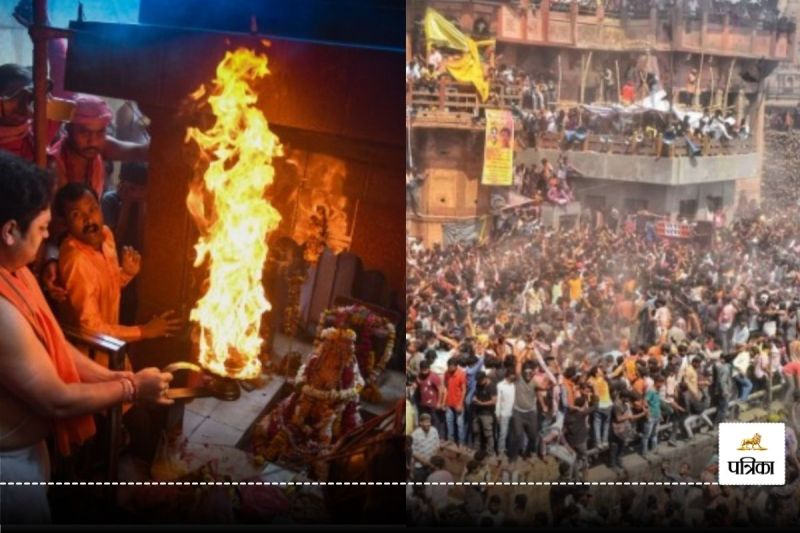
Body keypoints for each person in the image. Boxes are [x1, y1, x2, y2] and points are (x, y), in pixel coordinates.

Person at [0, 151, 172, 523]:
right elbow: (56, 402)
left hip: (28, 451)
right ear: (9, 231)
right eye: (44, 228)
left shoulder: (17, 271)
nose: (49, 237)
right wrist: (131, 389)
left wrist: (115, 377)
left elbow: (56, 344)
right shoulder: (1, 312)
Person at [55, 183, 182, 347]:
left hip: (111, 346)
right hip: (89, 353)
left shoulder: (106, 235)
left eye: (92, 209)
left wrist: (126, 274)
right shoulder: (76, 260)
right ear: (65, 224)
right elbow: (90, 328)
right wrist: (143, 331)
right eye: (76, 215)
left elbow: (104, 288)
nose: (88, 220)